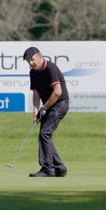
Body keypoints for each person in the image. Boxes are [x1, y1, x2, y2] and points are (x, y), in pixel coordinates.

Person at [24, 47, 69, 177]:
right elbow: (36, 93)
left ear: (40, 57)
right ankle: (59, 168)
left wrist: (44, 108)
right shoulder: (33, 72)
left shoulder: (50, 68)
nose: (31, 63)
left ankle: (48, 169)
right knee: (44, 135)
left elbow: (57, 92)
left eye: (32, 59)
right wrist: (35, 111)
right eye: (28, 61)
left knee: (45, 133)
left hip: (60, 103)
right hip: (49, 106)